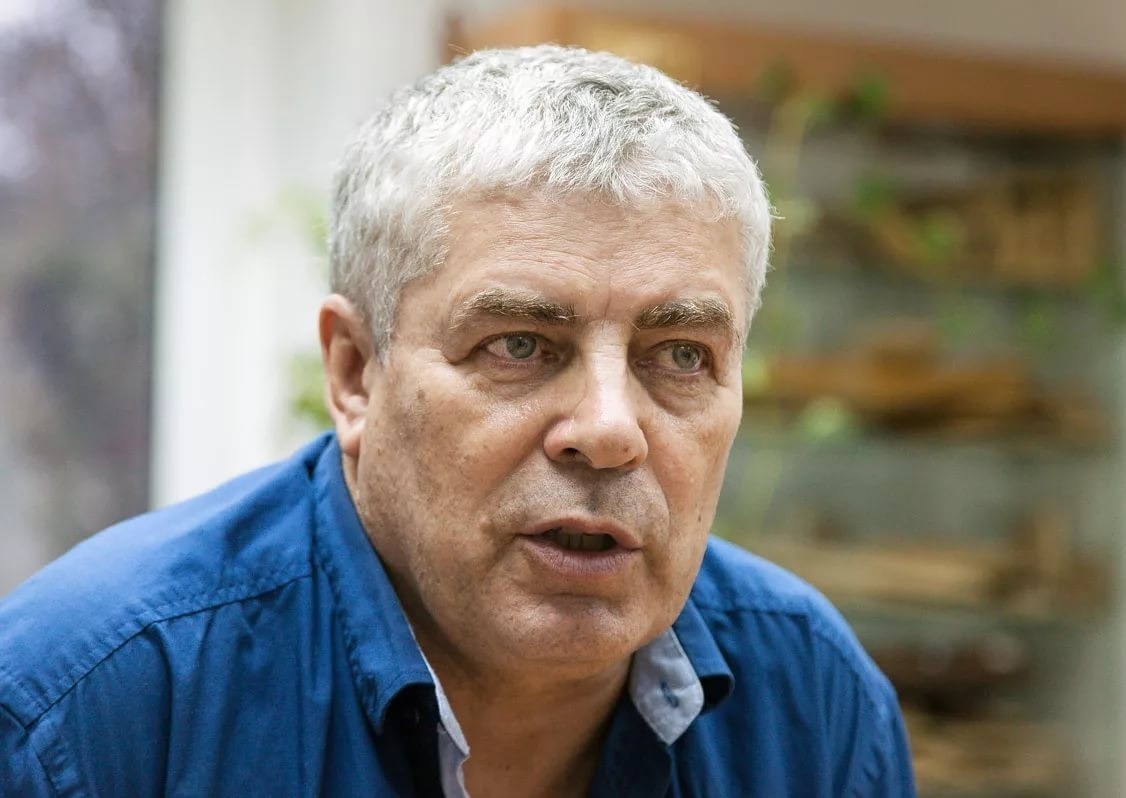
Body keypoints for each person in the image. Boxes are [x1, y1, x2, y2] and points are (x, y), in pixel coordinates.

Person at [0, 45, 915, 797]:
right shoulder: (88, 708)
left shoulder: (814, 702)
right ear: (355, 374)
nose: (609, 431)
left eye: (680, 355)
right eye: (519, 345)